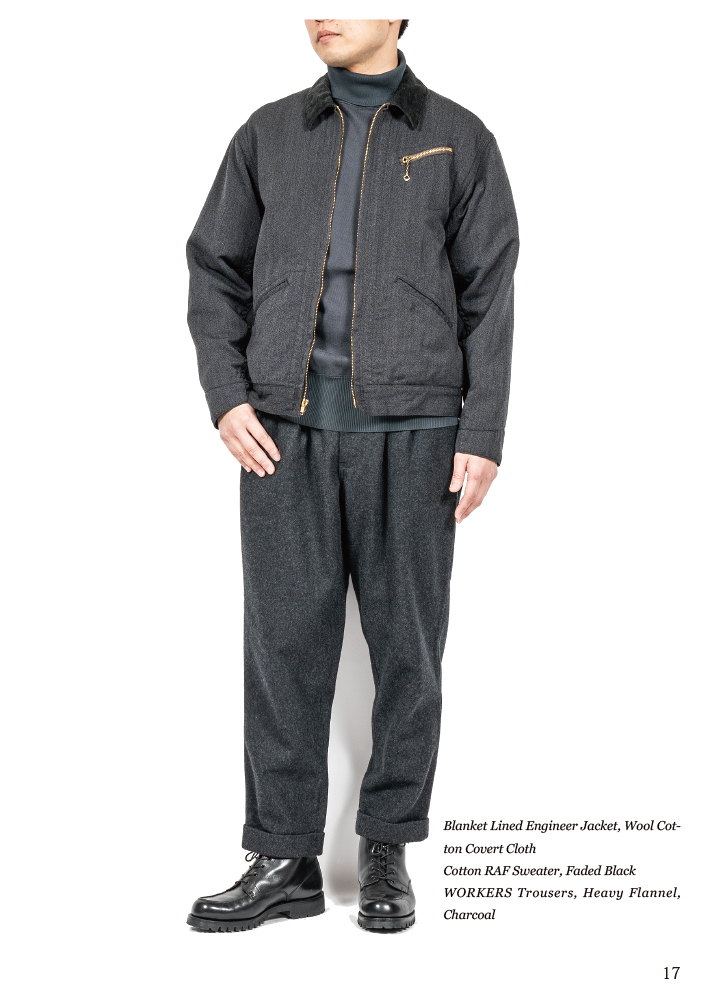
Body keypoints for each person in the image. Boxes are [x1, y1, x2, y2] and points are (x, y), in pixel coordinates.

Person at [185, 18, 518, 933]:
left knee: (409, 649)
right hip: (281, 434)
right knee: (281, 649)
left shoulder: (459, 137)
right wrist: (226, 395)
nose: (319, 12)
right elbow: (214, 267)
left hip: (417, 434)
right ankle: (285, 855)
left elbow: (490, 292)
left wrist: (483, 429)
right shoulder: (267, 134)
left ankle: (387, 849)